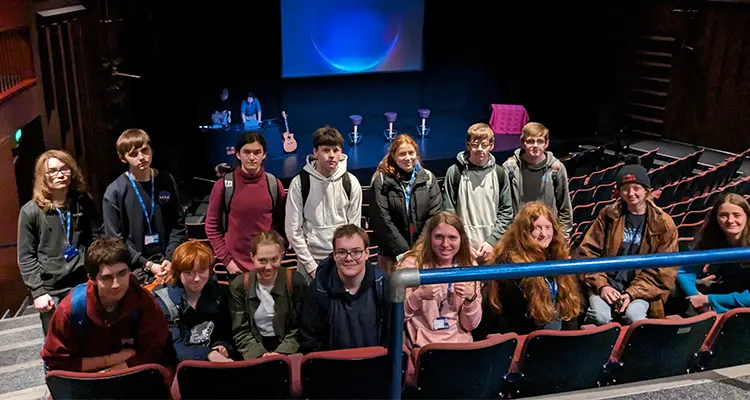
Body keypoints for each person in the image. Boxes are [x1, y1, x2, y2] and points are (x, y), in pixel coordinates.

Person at [41, 237, 168, 372]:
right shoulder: (71, 309)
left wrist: (114, 372)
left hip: (130, 372)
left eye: (122, 273)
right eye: (107, 278)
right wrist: (111, 360)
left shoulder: (142, 299)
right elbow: (56, 361)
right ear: (92, 279)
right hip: (85, 379)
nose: (116, 284)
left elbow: (154, 349)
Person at [578, 159, 678, 325]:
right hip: (606, 283)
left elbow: (663, 271)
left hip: (642, 288)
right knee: (599, 316)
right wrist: (602, 286)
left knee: (634, 317)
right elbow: (588, 252)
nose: (631, 193)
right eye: (625, 189)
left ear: (647, 191)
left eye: (636, 188)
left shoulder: (663, 224)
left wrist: (632, 293)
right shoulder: (608, 215)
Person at [17, 150, 100, 335]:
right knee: (57, 347)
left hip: (82, 284)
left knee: (90, 341)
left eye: (65, 169)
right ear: (43, 177)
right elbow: (26, 256)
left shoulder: (83, 202)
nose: (60, 174)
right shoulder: (30, 211)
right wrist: (38, 292)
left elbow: (95, 241)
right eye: (53, 171)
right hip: (51, 291)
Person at [476, 202, 583, 336]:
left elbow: (568, 305)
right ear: (524, 231)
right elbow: (515, 317)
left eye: (548, 227)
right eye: (537, 228)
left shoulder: (557, 256)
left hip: (553, 332)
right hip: (523, 334)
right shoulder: (510, 263)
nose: (544, 234)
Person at [103, 128, 186, 285]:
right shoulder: (115, 191)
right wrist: (147, 264)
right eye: (133, 154)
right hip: (136, 268)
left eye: (145, 150)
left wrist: (169, 257)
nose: (141, 158)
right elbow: (115, 241)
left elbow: (178, 224)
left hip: (168, 263)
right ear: (123, 158)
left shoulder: (166, 179)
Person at [285, 126, 362, 283]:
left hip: (342, 263)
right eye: (326, 150)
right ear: (315, 152)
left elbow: (354, 229)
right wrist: (311, 267)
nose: (332, 156)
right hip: (309, 263)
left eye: (336, 150)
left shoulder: (351, 182)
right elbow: (293, 230)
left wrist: (346, 262)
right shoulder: (300, 183)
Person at [298, 225, 390, 353]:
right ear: (334, 255)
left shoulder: (382, 283)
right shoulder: (319, 288)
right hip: (332, 368)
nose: (349, 258)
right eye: (341, 252)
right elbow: (310, 340)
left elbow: (391, 334)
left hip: (374, 366)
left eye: (356, 252)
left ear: (367, 253)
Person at [205, 131, 286, 274]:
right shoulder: (223, 186)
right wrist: (227, 261)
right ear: (238, 154)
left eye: (257, 152)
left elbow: (284, 225)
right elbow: (212, 226)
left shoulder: (273, 184)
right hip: (235, 267)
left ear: (264, 155)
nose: (252, 157)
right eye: (246, 152)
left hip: (268, 266)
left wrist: (278, 254)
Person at [398, 211, 481, 348]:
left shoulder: (469, 266)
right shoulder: (411, 264)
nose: (445, 244)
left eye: (452, 238)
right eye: (439, 237)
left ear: (461, 239)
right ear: (430, 237)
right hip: (423, 345)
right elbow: (398, 318)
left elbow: (471, 325)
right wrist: (417, 296)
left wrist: (470, 299)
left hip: (460, 345)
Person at [370, 134, 442, 272]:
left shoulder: (428, 178)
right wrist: (404, 254)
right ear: (393, 155)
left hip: (423, 255)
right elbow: (382, 220)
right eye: (402, 154)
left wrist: (418, 250)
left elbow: (434, 216)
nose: (408, 158)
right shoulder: (381, 180)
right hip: (391, 257)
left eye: (411, 153)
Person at [229, 231, 307, 359]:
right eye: (262, 261)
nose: (268, 267)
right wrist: (259, 354)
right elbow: (240, 330)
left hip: (289, 349)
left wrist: (281, 353)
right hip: (254, 349)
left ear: (281, 256)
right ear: (252, 257)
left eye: (274, 259)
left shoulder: (296, 281)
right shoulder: (239, 286)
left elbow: (300, 327)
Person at [443, 123, 513, 263]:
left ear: (491, 145)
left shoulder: (500, 173)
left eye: (484, 144)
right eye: (475, 145)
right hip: (462, 248)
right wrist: (461, 243)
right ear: (468, 145)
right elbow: (449, 213)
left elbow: (506, 212)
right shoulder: (454, 172)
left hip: (491, 248)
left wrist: (491, 242)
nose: (479, 149)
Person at [153, 240, 233, 363]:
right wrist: (209, 354)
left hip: (215, 363)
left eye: (202, 271)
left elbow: (225, 331)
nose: (197, 279)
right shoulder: (164, 302)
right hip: (181, 367)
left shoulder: (218, 293)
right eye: (189, 273)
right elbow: (175, 345)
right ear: (179, 273)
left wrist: (222, 346)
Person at [677, 193, 750, 314]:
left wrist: (708, 299)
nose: (730, 221)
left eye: (737, 215)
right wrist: (696, 297)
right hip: (725, 295)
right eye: (723, 216)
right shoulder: (712, 239)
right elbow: (685, 271)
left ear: (747, 217)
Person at [502, 122, 573, 238]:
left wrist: (562, 237)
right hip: (519, 235)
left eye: (540, 141)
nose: (535, 145)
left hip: (546, 237)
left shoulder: (556, 169)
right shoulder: (510, 168)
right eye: (530, 141)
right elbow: (504, 207)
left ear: (546, 143)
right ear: (522, 143)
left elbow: (565, 207)